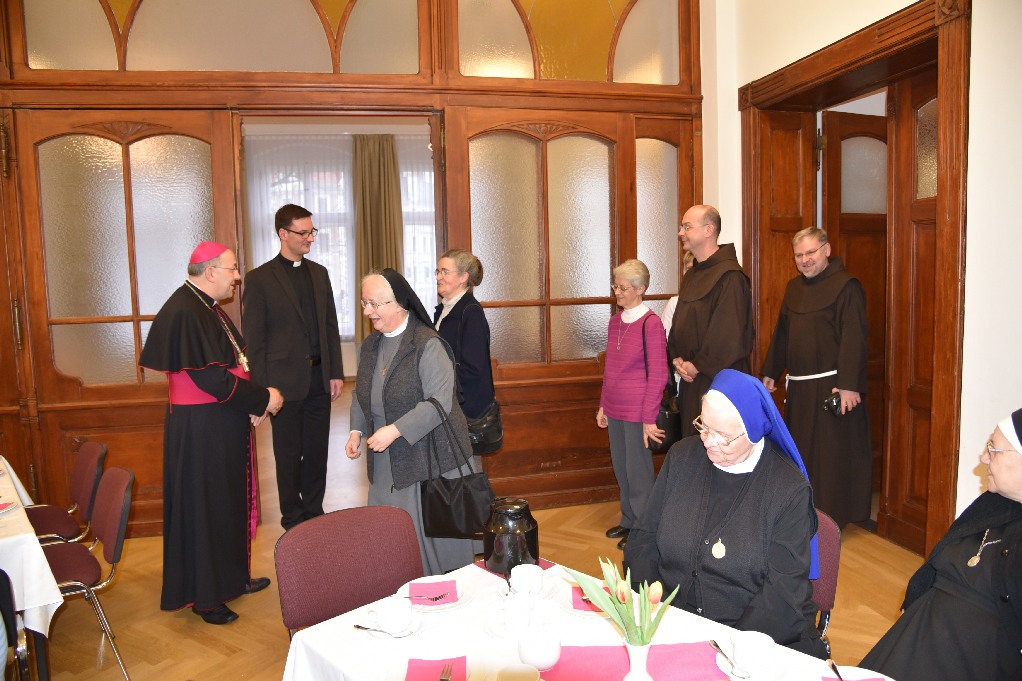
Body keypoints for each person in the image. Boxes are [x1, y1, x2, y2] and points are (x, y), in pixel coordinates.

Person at [626, 369, 826, 658]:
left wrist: (727, 651)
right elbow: (644, 539)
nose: (708, 441)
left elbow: (783, 594)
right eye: (704, 426)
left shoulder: (787, 489)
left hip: (750, 641)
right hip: (671, 626)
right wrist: (650, 607)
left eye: (723, 436)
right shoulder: (681, 458)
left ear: (754, 431)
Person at [139, 241, 284, 625]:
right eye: (232, 269)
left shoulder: (205, 307)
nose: (237, 277)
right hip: (203, 430)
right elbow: (211, 379)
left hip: (220, 422)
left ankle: (232, 579)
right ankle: (207, 596)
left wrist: (249, 403)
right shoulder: (186, 311)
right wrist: (263, 399)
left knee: (227, 503)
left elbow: (234, 366)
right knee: (209, 509)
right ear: (210, 271)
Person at [860, 408, 1022, 681]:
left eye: (993, 450)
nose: (983, 458)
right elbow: (941, 555)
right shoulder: (992, 504)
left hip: (968, 659)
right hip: (917, 636)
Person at [344, 269, 478, 576]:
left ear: (398, 304)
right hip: (385, 460)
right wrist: (356, 430)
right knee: (389, 537)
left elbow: (439, 403)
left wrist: (394, 431)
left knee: (427, 542)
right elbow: (361, 392)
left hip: (427, 457)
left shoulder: (427, 344)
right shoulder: (371, 345)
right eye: (365, 303)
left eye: (374, 304)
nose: (367, 311)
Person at [760, 227, 871, 528]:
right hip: (800, 387)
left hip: (833, 387)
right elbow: (783, 333)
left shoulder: (846, 287)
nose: (805, 260)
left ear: (827, 250)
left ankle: (831, 519)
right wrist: (771, 372)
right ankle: (803, 512)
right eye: (799, 255)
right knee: (801, 452)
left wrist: (848, 385)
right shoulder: (793, 288)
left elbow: (854, 337)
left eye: (811, 252)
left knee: (830, 456)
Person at [242, 204, 344, 530]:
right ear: (283, 234)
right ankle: (292, 518)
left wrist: (335, 372)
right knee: (287, 455)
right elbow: (254, 340)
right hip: (282, 385)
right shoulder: (259, 279)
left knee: (317, 451)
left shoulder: (320, 274)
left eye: (312, 231)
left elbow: (330, 326)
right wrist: (262, 391)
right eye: (303, 233)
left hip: (318, 379)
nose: (310, 238)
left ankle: (314, 512)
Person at [598, 259, 668, 551]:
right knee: (622, 468)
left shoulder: (651, 324)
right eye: (615, 286)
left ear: (641, 289)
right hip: (615, 408)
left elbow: (659, 374)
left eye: (623, 288)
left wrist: (649, 418)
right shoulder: (615, 321)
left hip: (639, 411)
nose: (617, 292)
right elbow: (610, 369)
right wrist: (603, 405)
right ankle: (628, 519)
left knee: (639, 473)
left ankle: (643, 528)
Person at [668, 205, 753, 437]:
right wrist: (677, 358)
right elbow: (679, 324)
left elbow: (729, 335)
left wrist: (697, 366)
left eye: (687, 227)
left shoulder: (730, 277)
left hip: (718, 382)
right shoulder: (692, 275)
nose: (681, 233)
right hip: (690, 381)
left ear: (708, 230)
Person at [432, 248, 496, 422]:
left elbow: (473, 368)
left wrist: (433, 375)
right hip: (448, 402)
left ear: (463, 277)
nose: (438, 277)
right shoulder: (442, 310)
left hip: (466, 408)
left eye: (445, 272)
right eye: (438, 271)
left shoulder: (471, 312)